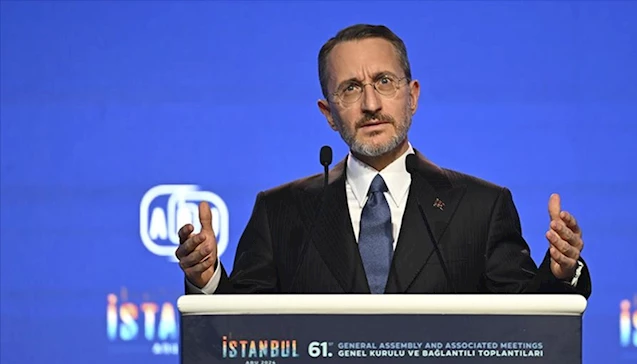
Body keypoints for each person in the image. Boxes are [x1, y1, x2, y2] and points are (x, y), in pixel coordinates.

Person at [176, 23, 591, 297]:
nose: (371, 104)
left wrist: (561, 271)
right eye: (351, 88)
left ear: (412, 96)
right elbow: (242, 337)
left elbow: (525, 324)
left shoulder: (480, 208)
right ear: (328, 113)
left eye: (384, 82)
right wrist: (207, 280)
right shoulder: (281, 212)